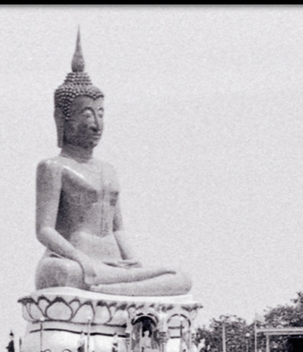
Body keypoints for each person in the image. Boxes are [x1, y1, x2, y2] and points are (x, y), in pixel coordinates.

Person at [33, 31, 192, 297]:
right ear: (62, 118)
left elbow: (118, 229)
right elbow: (44, 230)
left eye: (100, 113)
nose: (96, 124)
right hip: (74, 263)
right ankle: (123, 289)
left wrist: (135, 263)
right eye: (87, 114)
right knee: (63, 273)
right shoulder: (53, 167)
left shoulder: (108, 170)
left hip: (114, 265)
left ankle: (116, 289)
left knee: (181, 279)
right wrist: (80, 259)